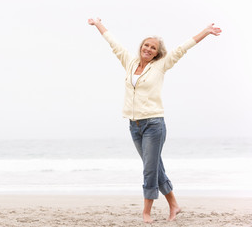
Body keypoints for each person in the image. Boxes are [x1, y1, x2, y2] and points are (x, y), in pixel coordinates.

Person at [88, 17, 221, 223]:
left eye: (153, 48)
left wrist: (205, 31)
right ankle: (174, 205)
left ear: (157, 53)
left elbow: (182, 48)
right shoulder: (129, 62)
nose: (148, 49)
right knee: (155, 166)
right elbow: (112, 42)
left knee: (149, 169)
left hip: (154, 125)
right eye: (146, 45)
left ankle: (146, 212)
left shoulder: (161, 65)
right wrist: (98, 24)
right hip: (134, 125)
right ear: (141, 47)